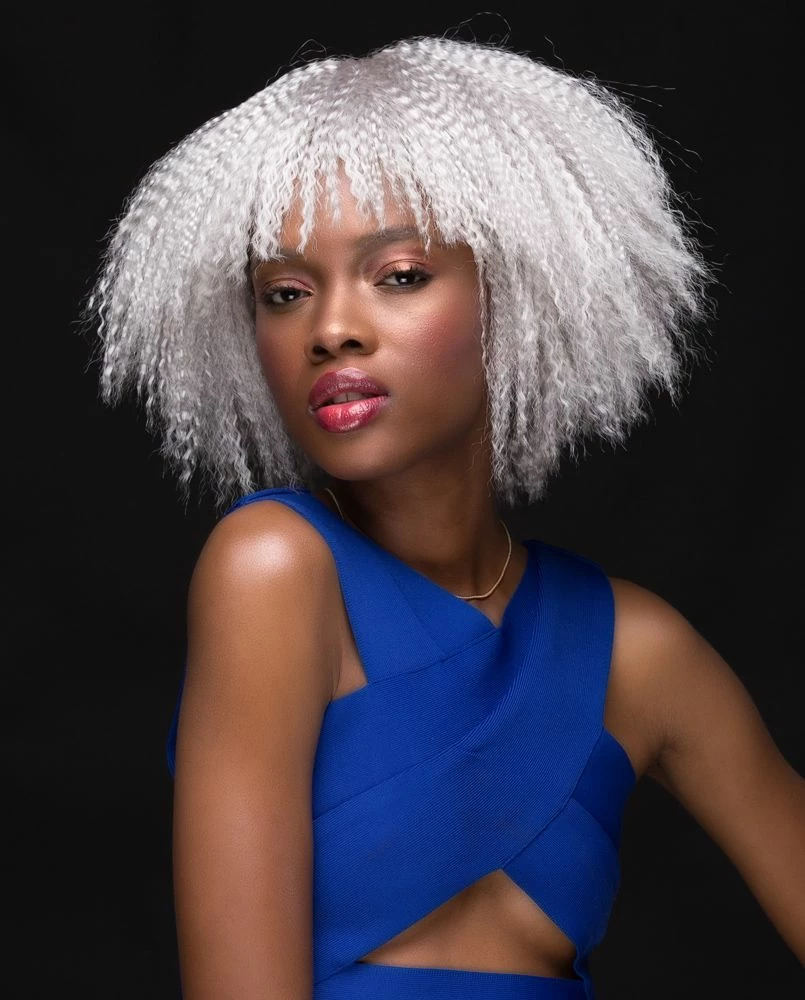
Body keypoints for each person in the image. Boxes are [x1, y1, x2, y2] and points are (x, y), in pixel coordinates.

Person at [81, 33, 805, 1000]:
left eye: (399, 275)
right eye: (285, 293)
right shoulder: (273, 568)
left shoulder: (637, 652)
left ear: (515, 294)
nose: (331, 329)